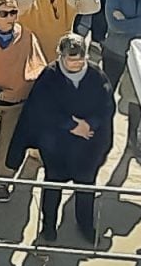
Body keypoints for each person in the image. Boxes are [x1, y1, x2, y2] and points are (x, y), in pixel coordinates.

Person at [6, 35, 114, 242]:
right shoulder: (49, 76)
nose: (75, 64)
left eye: (79, 59)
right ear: (61, 57)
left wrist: (89, 125)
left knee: (85, 188)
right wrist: (71, 125)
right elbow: (41, 109)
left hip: (87, 147)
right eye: (71, 59)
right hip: (56, 147)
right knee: (53, 187)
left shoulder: (96, 76)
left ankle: (85, 224)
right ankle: (48, 227)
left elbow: (106, 106)